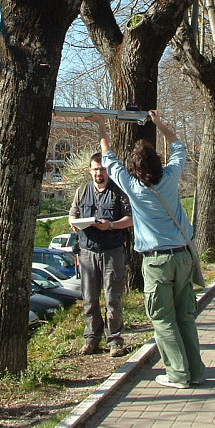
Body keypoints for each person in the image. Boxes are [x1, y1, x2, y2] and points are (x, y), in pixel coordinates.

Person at [87, 110, 205, 389]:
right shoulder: (171, 177)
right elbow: (179, 147)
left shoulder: (131, 186)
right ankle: (195, 370)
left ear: (133, 168)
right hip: (182, 256)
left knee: (163, 318)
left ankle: (177, 374)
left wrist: (102, 126)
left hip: (156, 262)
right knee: (185, 315)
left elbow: (108, 158)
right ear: (158, 162)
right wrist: (160, 123)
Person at [69, 153, 133, 357]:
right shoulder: (82, 190)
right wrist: (74, 223)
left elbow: (131, 219)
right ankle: (91, 339)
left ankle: (115, 340)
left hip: (112, 251)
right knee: (89, 298)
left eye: (102, 169)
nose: (99, 172)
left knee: (113, 297)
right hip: (87, 252)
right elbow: (73, 214)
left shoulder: (118, 191)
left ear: (108, 171)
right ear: (90, 170)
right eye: (95, 169)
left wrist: (112, 225)